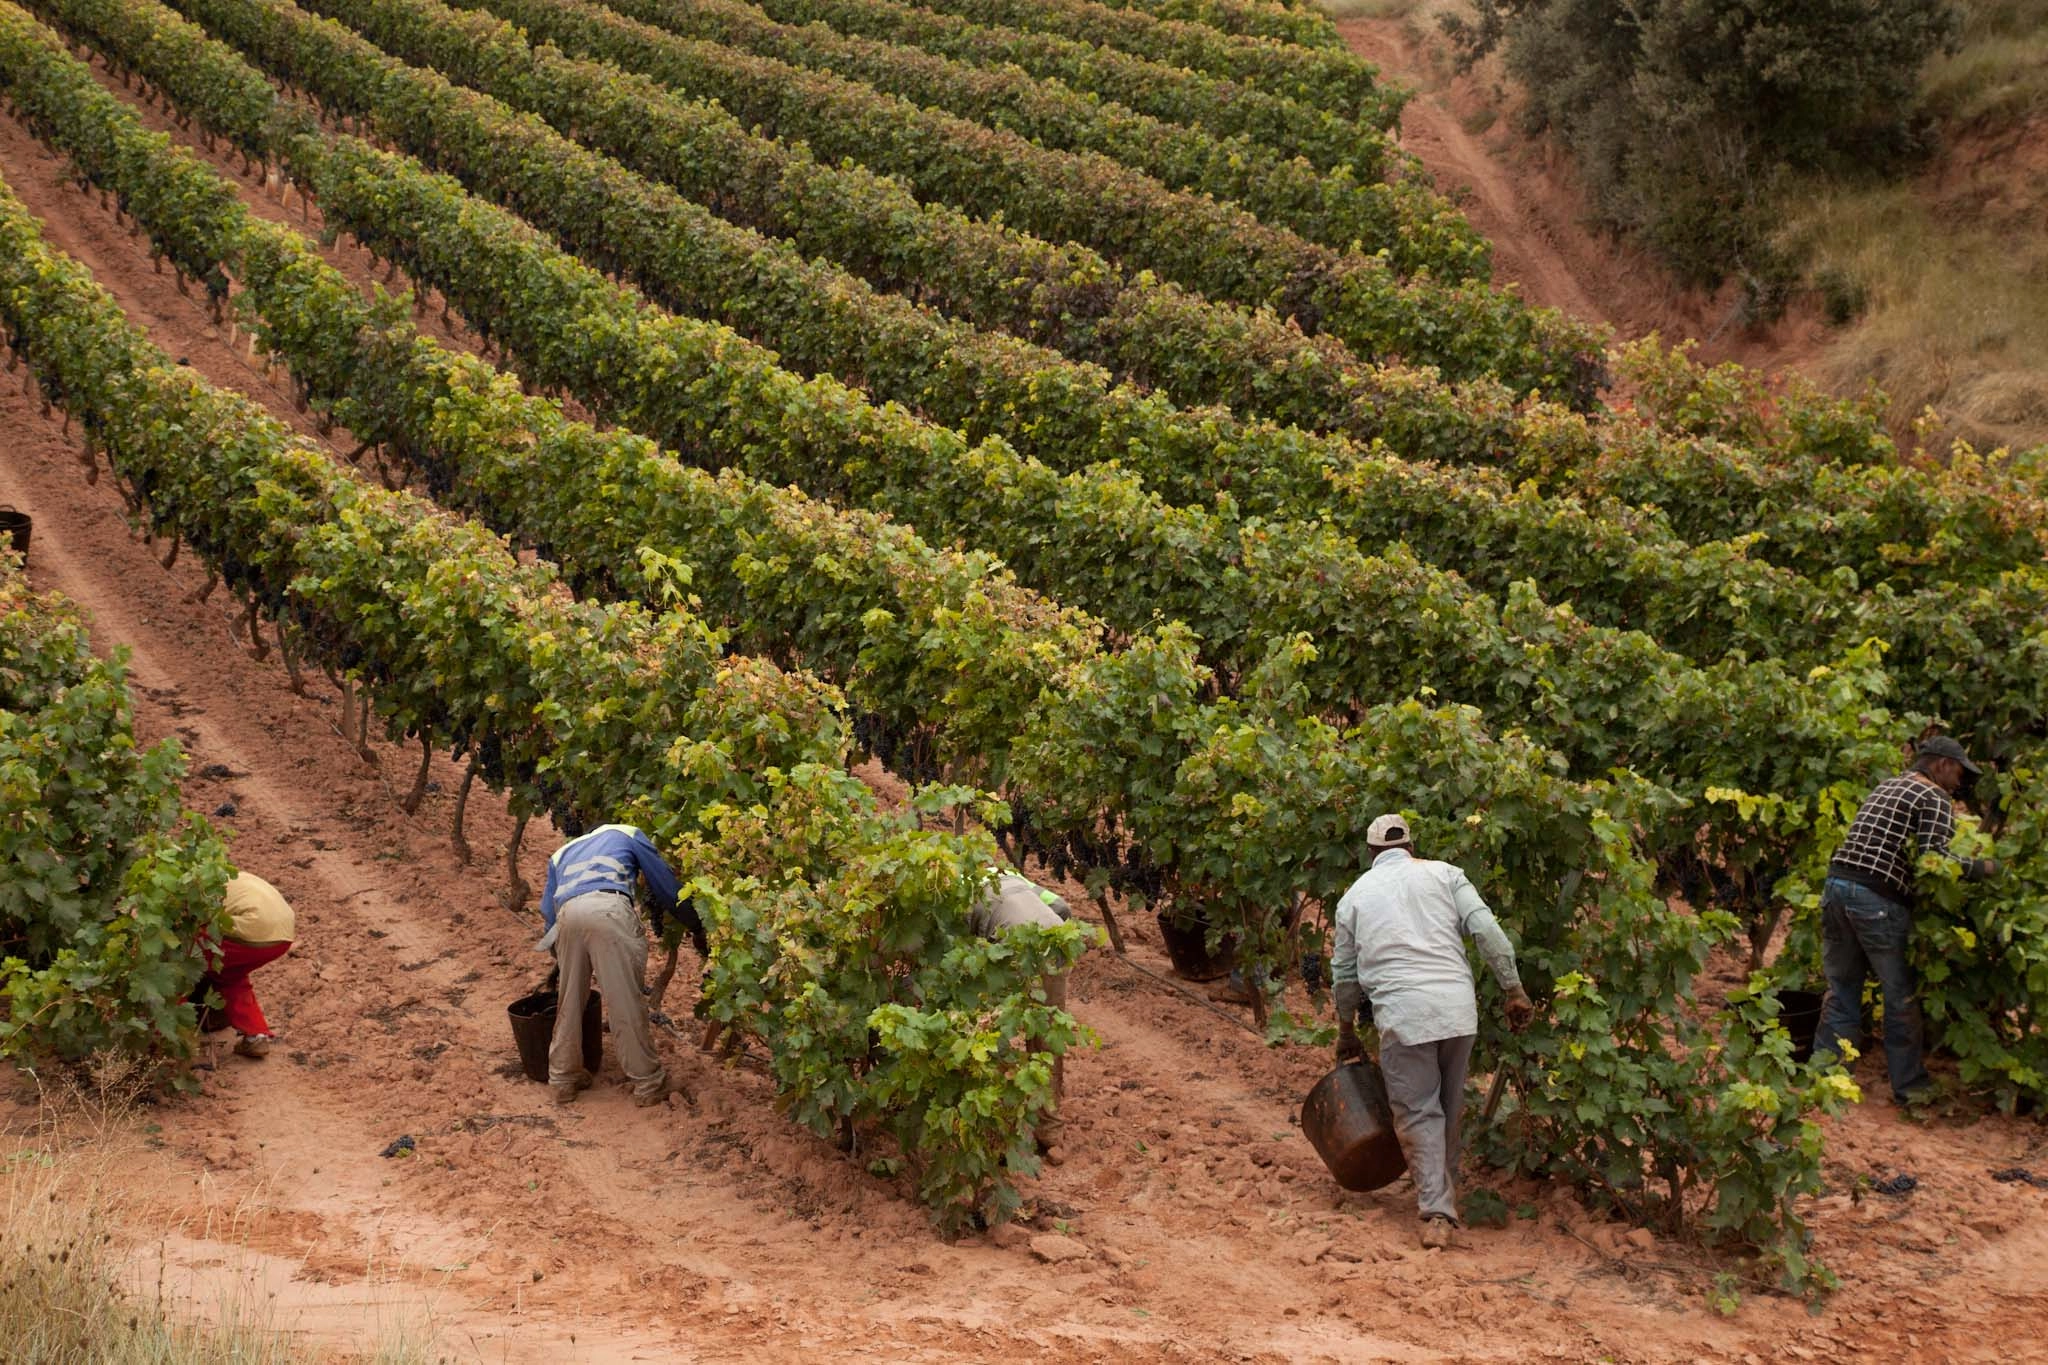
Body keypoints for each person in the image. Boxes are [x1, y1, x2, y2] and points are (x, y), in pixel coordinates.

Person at [1331, 814, 1534, 1249]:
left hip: (1405, 1016)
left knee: (1419, 1110)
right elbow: (1488, 933)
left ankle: (1437, 1211)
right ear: (1411, 846)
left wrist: (1346, 1030)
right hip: (1458, 1011)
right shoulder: (1446, 875)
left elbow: (1345, 976)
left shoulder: (1353, 898)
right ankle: (1444, 1189)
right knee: (1448, 1104)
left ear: (1370, 853)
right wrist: (1513, 989)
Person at [1814, 736, 2001, 1104]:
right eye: (1959, 771)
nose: (1960, 781)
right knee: (1900, 996)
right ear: (1941, 764)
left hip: (1836, 887)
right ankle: (1911, 1088)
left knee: (1842, 989)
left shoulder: (1888, 785)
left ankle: (1825, 1082)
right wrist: (1985, 868)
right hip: (1875, 900)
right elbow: (1935, 860)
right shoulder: (1934, 797)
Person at [536, 823, 702, 1108]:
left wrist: (563, 956)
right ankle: (648, 1083)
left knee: (570, 1000)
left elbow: (549, 914)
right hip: (607, 908)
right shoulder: (628, 833)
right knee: (624, 999)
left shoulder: (561, 853)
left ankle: (563, 1079)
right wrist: (697, 924)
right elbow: (664, 886)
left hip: (567, 916)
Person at [968, 869, 1073, 1147]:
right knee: (1047, 1035)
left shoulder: (960, 892)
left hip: (1009, 948)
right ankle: (1050, 1131)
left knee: (990, 1036)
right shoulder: (1011, 875)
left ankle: (999, 1131)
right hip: (1055, 940)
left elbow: (963, 955)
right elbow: (1062, 907)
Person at [200, 871, 297, 1060]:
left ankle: (168, 1036)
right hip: (283, 934)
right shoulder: (226, 874)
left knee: (181, 960)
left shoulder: (187, 884)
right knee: (230, 975)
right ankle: (256, 1036)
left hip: (252, 929)